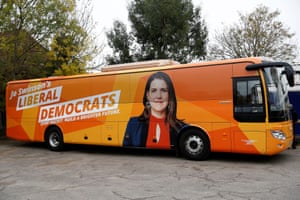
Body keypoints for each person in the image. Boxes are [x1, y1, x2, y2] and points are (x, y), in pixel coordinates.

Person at [123, 71, 186, 149]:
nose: (159, 96)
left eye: (163, 90)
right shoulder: (134, 124)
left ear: (170, 95)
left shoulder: (182, 128)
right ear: (147, 95)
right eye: (154, 90)